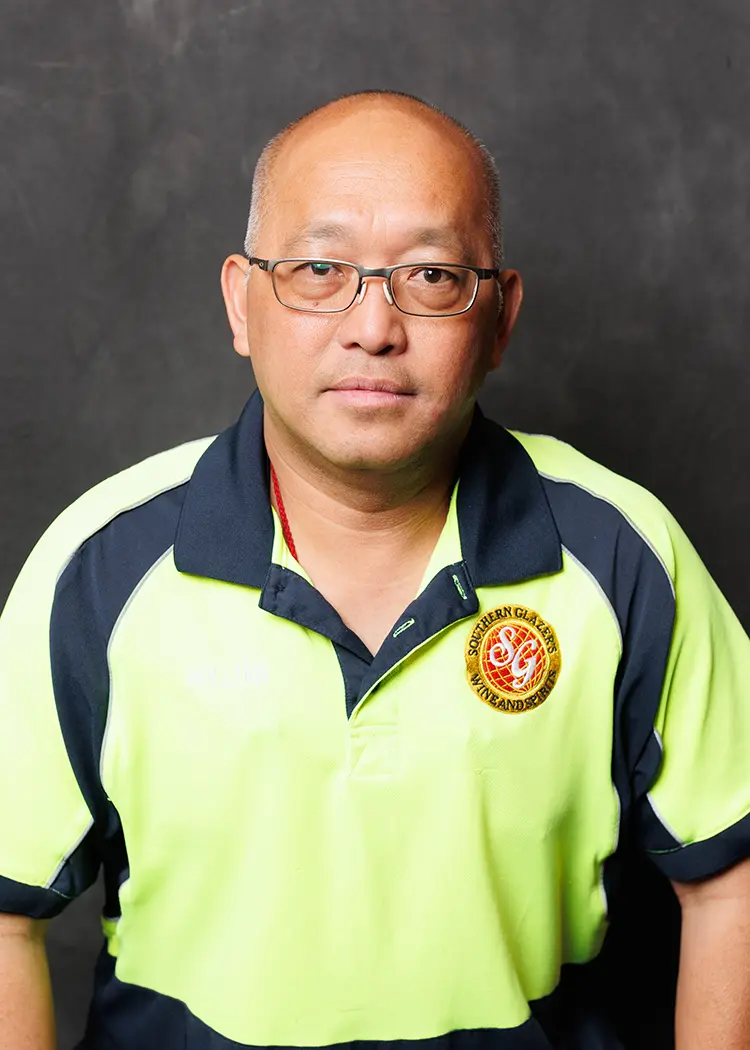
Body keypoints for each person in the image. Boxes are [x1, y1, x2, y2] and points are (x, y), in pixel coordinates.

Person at [0, 90, 748, 1050]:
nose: (373, 327)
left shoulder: (621, 553)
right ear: (240, 301)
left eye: (432, 275)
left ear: (501, 317)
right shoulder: (100, 568)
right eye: (319, 269)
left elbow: (730, 879)